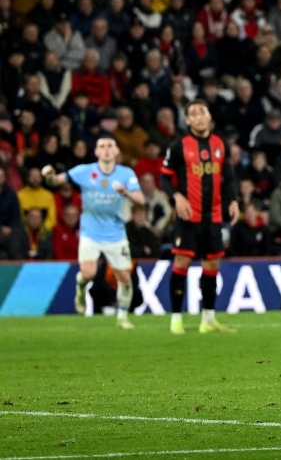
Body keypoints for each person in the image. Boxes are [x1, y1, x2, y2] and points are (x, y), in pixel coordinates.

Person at [41, 135, 145, 329]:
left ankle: (122, 317)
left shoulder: (126, 173)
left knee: (124, 278)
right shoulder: (84, 171)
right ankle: (80, 290)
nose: (106, 149)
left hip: (116, 233)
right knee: (88, 274)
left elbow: (141, 200)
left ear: (116, 152)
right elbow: (55, 181)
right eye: (102, 146)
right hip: (90, 232)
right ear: (96, 152)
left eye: (110, 146)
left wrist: (126, 193)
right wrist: (48, 174)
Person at [160, 100, 239, 335]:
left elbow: (229, 177)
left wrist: (233, 200)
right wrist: (177, 197)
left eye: (202, 112)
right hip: (188, 216)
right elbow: (164, 179)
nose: (199, 117)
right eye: (193, 114)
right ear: (188, 121)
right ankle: (176, 319)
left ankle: (208, 319)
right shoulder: (179, 146)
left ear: (209, 116)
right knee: (181, 263)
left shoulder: (220, 144)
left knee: (211, 264)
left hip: (213, 216)